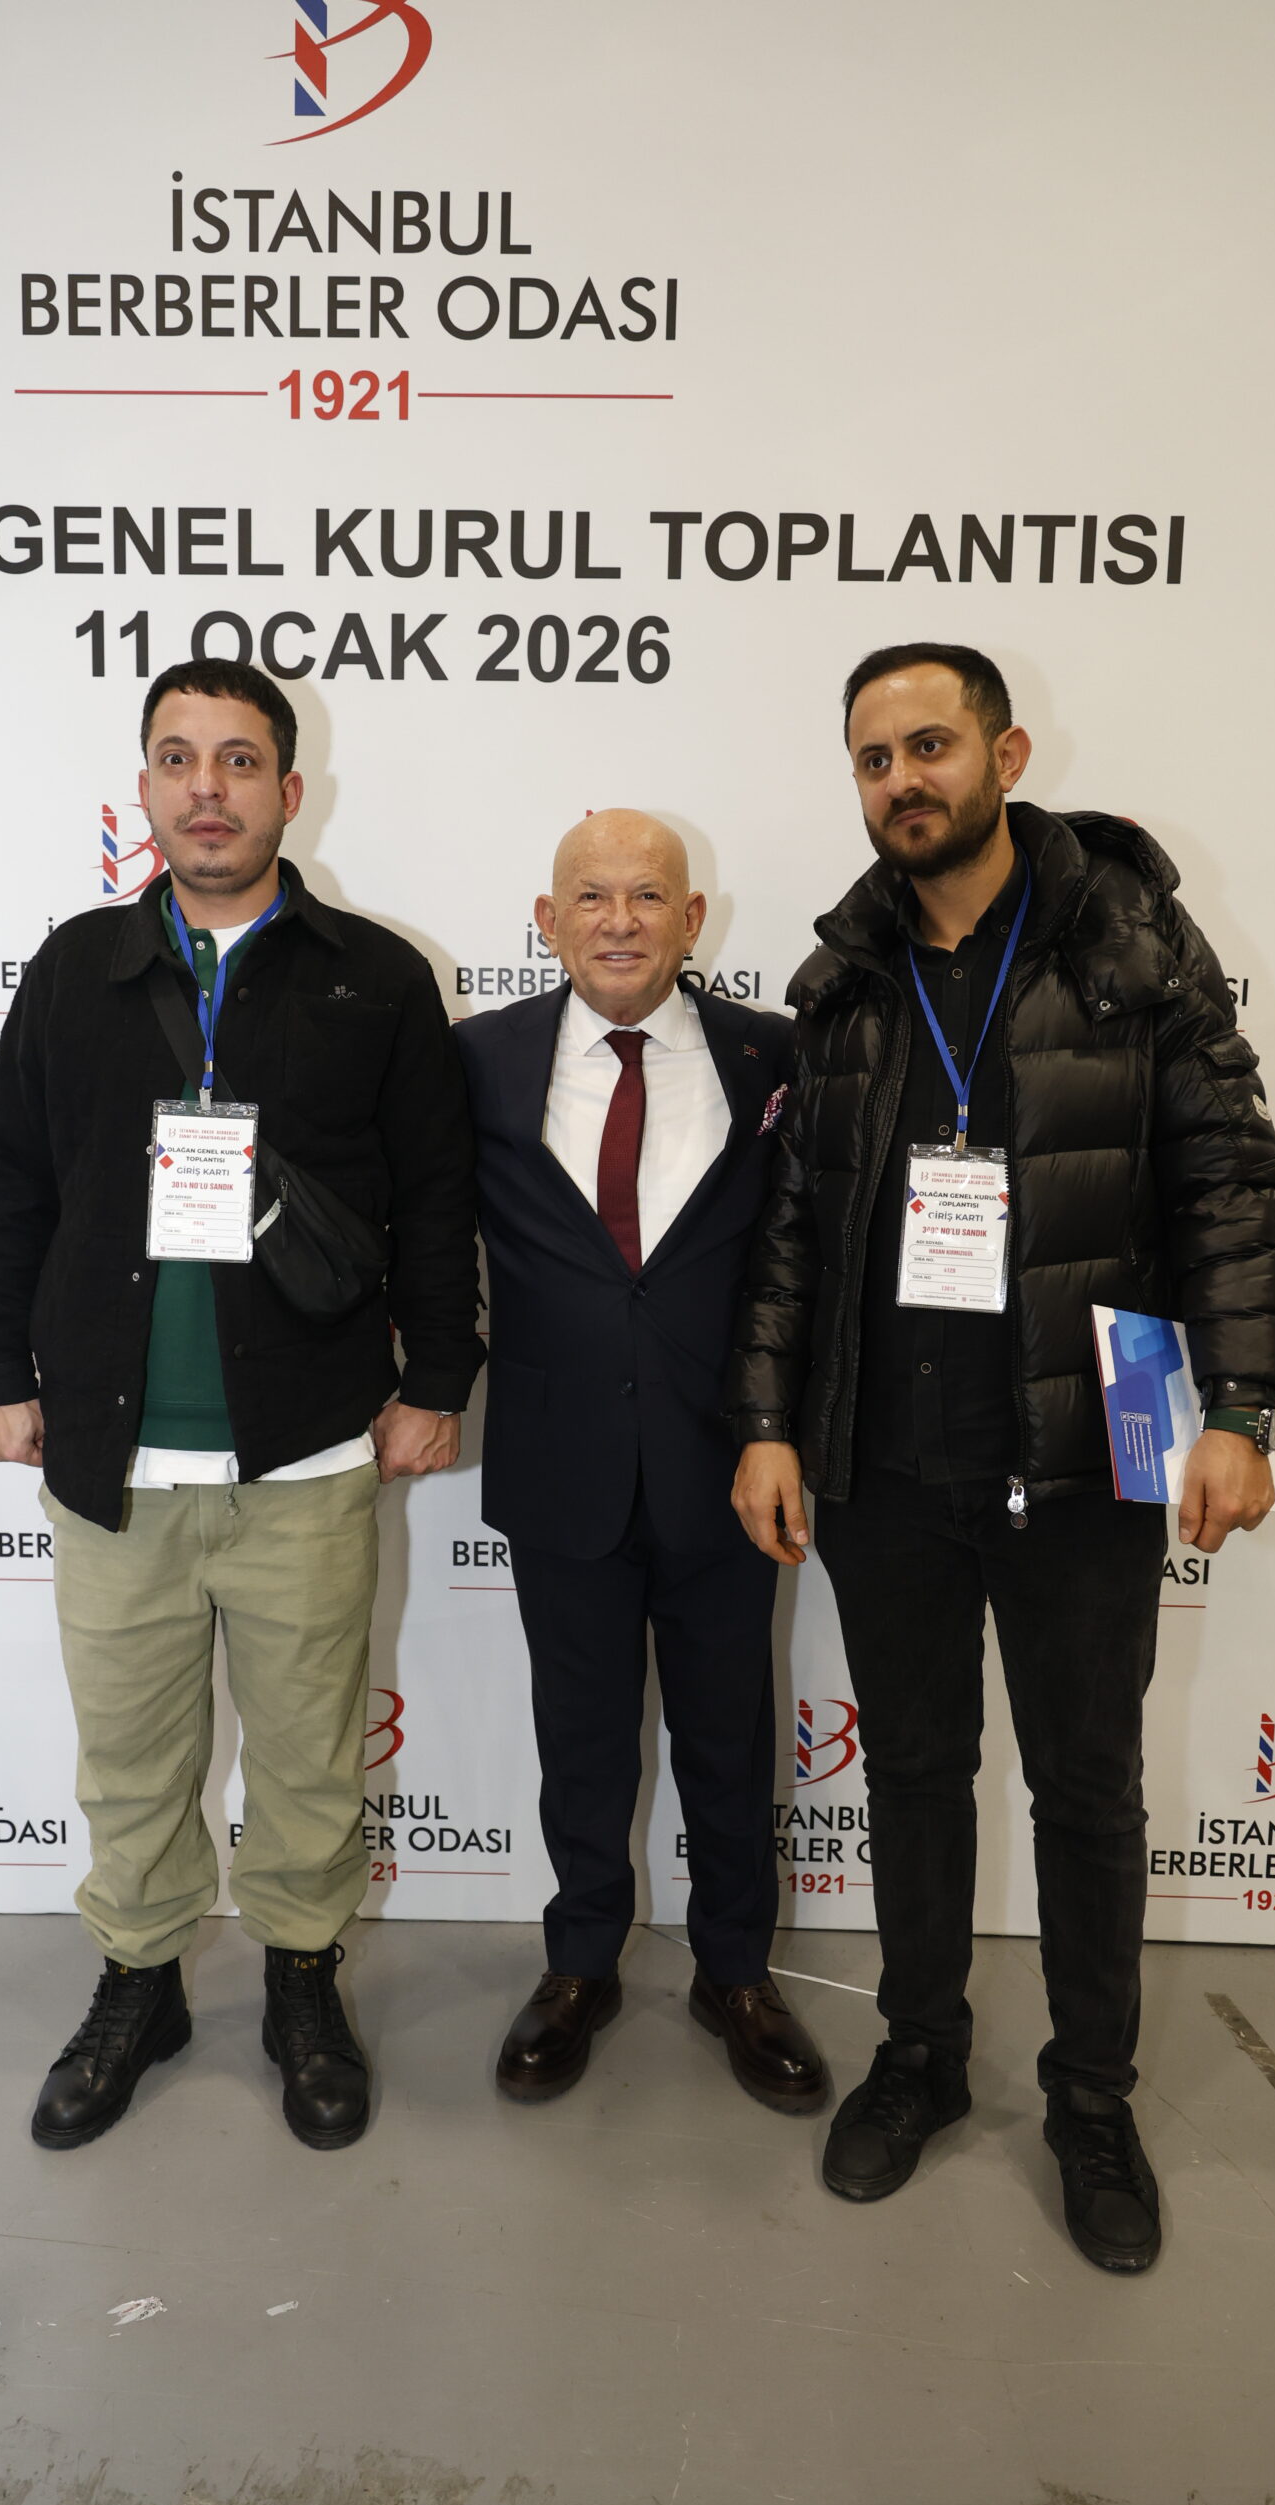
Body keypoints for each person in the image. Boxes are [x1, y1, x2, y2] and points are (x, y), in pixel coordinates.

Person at [730, 644, 1275, 2271]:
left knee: (1087, 1791)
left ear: (1006, 753)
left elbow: (1227, 1178)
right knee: (912, 1774)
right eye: (874, 759)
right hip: (888, 1464)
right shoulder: (846, 977)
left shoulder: (1130, 943)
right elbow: (792, 1228)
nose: (902, 780)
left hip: (1087, 1453)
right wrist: (766, 1423)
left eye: (930, 745)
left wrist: (1240, 1408)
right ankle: (920, 2053)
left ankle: (1092, 2099)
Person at [0, 659, 481, 2154]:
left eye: (239, 761)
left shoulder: (375, 977)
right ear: (143, 788)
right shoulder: (76, 970)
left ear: (288, 792)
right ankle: (142, 1981)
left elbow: (439, 1198)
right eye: (179, 758)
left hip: (306, 1449)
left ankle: (302, 1981)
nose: (208, 788)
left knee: (309, 1752)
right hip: (113, 1455)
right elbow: (12, 1181)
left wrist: (436, 1381)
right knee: (130, 1756)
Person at [456, 810, 826, 2114]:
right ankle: (578, 1966)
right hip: (557, 1461)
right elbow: (426, 1237)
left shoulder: (771, 1055)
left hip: (729, 1465)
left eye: (649, 896)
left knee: (729, 1737)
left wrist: (784, 1429)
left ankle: (737, 1973)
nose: (620, 921)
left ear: (692, 919)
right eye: (592, 897)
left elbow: (801, 1252)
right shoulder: (479, 1061)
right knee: (582, 1740)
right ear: (547, 922)